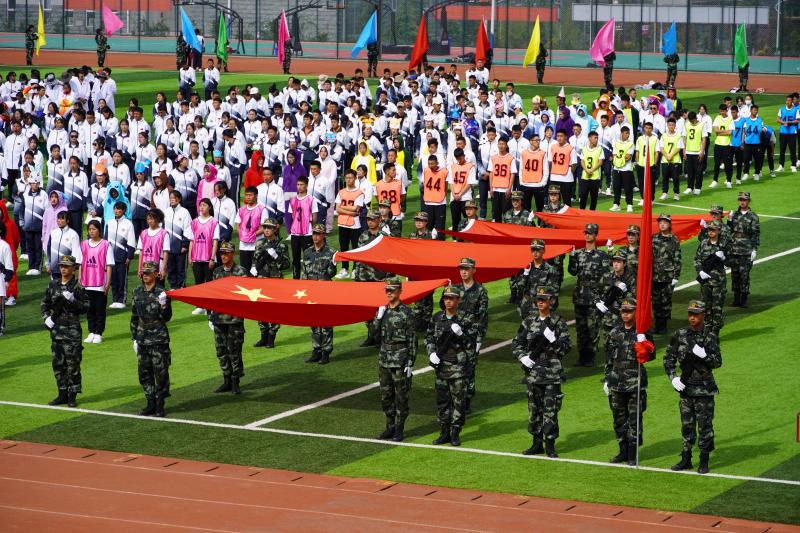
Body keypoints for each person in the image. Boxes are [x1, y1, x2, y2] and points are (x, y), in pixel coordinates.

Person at [512, 286, 572, 457]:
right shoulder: (529, 321)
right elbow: (517, 343)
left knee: (550, 411)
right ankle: (536, 443)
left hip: (552, 374)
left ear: (551, 301)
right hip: (533, 374)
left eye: (544, 299)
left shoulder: (558, 322)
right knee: (534, 411)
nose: (540, 302)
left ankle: (550, 444)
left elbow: (566, 348)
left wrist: (554, 341)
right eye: (538, 299)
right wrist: (523, 357)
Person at [664, 300, 722, 475]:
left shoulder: (709, 336)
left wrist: (705, 356)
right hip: (686, 389)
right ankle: (686, 459)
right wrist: (673, 378)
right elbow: (668, 358)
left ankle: (704, 460)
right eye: (690, 314)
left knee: (705, 427)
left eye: (696, 314)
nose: (692, 317)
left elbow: (717, 362)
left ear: (703, 315)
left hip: (704, 390)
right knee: (687, 426)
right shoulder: (680, 335)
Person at [603, 297, 652, 465]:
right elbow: (608, 358)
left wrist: (644, 344)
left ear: (635, 312)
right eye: (623, 311)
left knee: (634, 419)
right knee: (618, 418)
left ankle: (632, 453)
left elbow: (650, 356)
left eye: (629, 311)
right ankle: (622, 451)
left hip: (634, 382)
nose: (625, 314)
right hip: (617, 382)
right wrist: (607, 378)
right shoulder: (614, 332)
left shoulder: (642, 333)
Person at [427, 284, 477, 447]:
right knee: (442, 401)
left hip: (458, 368)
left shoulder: (466, 320)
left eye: (452, 298)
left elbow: (471, 345)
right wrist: (431, 353)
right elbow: (430, 338)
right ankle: (444, 432)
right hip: (441, 366)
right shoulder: (437, 318)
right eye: (446, 298)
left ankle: (455, 432)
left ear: (458, 300)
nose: (448, 301)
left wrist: (462, 335)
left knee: (458, 402)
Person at [41, 254, 89, 407]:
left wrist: (73, 301)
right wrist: (46, 318)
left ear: (73, 269)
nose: (63, 269)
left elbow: (86, 308)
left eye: (66, 266)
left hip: (72, 331)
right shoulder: (53, 285)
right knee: (58, 364)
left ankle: (72, 395)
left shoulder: (78, 287)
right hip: (56, 331)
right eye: (61, 266)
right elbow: (45, 304)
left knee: (73, 364)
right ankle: (62, 393)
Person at [374, 277, 416, 442]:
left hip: (400, 359)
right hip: (384, 359)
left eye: (392, 290)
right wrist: (378, 318)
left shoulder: (406, 312)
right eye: (387, 290)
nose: (389, 293)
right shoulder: (383, 311)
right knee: (386, 395)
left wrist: (411, 362)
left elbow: (412, 339)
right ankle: (390, 426)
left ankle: (399, 428)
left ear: (399, 291)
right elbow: (373, 336)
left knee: (401, 396)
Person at [130, 261, 173, 417]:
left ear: (156, 274)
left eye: (149, 273)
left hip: (158, 339)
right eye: (144, 273)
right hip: (142, 338)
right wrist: (134, 338)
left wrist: (164, 306)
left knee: (161, 373)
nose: (145, 275)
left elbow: (167, 317)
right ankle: (150, 403)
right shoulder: (137, 291)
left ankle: (160, 403)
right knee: (144, 373)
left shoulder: (162, 293)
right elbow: (134, 317)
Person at [208, 242, 248, 394]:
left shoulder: (240, 272)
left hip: (234, 319)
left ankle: (235, 381)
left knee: (234, 351)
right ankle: (226, 380)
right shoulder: (217, 272)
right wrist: (210, 315)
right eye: (221, 253)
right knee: (221, 351)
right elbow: (212, 294)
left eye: (226, 253)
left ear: (233, 254)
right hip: (218, 318)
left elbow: (246, 295)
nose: (223, 256)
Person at [568, 223, 611, 366]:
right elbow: (572, 271)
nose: (587, 235)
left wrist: (602, 298)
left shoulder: (601, 255)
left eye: (590, 233)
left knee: (593, 329)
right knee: (581, 329)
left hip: (594, 297)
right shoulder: (579, 253)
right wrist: (571, 257)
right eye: (586, 232)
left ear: (596, 235)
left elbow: (606, 278)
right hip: (580, 296)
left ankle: (590, 357)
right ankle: (582, 356)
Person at [451, 257, 488, 412]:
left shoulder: (480, 291)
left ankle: (466, 400)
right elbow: (445, 308)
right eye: (461, 269)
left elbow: (483, 316)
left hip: (470, 337)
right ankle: (455, 398)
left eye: (466, 269)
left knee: (469, 369)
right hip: (454, 336)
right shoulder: (455, 288)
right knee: (453, 367)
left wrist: (479, 339)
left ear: (473, 270)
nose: (463, 272)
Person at [301, 224, 336, 364]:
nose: (315, 236)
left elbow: (331, 274)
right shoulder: (307, 252)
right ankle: (316, 350)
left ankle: (326, 351)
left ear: (323, 235)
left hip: (325, 292)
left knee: (326, 322)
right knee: (314, 323)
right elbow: (304, 273)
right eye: (314, 233)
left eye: (318, 234)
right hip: (310, 292)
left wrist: (333, 264)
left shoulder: (331, 252)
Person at [252, 219, 290, 348]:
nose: (266, 230)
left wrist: (276, 256)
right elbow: (256, 259)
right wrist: (254, 268)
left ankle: (271, 337)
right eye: (265, 227)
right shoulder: (259, 243)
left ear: (275, 229)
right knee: (260, 309)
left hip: (275, 280)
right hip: (261, 279)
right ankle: (263, 336)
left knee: (274, 310)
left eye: (269, 227)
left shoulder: (281, 245)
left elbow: (286, 265)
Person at [355, 210, 389, 346]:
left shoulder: (384, 236)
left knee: (380, 309)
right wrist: (357, 275)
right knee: (367, 309)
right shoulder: (363, 236)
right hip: (364, 277)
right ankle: (371, 335)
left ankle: (380, 337)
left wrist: (388, 276)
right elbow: (358, 256)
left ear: (379, 220)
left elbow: (389, 258)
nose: (370, 222)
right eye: (368, 219)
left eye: (373, 219)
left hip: (379, 277)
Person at [80, 220, 114, 344]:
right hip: (87, 281)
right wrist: (80, 277)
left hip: (100, 282)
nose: (91, 231)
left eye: (94, 229)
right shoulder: (84, 244)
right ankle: (91, 331)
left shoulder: (106, 244)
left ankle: (99, 332)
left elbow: (109, 265)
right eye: (89, 229)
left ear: (99, 230)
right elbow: (81, 262)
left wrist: (108, 282)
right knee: (89, 309)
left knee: (100, 309)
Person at [695, 220, 730, 335]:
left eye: (713, 230)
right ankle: (706, 332)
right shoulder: (703, 243)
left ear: (719, 231)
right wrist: (700, 271)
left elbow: (731, 262)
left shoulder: (724, 245)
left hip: (718, 282)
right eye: (709, 229)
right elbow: (697, 259)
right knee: (705, 307)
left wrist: (724, 258)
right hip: (705, 281)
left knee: (717, 308)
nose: (711, 232)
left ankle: (715, 333)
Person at [728, 191, 759, 307]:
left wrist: (754, 249)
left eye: (744, 200)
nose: (742, 202)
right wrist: (729, 220)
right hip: (734, 249)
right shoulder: (734, 215)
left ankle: (744, 299)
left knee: (744, 275)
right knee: (735, 275)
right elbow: (729, 230)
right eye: (740, 200)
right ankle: (736, 299)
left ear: (748, 201)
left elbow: (755, 234)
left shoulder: (753, 216)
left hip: (746, 250)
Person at [652, 214, 682, 334]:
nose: (662, 224)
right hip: (655, 276)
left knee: (666, 302)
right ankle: (657, 325)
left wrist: (676, 276)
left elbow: (677, 259)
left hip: (668, 277)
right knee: (656, 302)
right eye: (660, 222)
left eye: (665, 222)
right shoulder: (654, 238)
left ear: (669, 224)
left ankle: (663, 325)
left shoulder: (674, 240)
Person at [516, 239, 560, 318]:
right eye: (533, 250)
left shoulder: (550, 269)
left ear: (543, 250)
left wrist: (550, 309)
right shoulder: (526, 267)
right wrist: (525, 274)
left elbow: (554, 292)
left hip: (542, 309)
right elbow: (519, 287)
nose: (535, 252)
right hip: (527, 308)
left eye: (538, 250)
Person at [105, 201, 136, 309]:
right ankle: (115, 300)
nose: (116, 211)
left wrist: (129, 257)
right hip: (111, 258)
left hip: (122, 257)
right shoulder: (109, 223)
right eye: (115, 208)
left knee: (122, 280)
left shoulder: (128, 224)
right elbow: (105, 241)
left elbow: (132, 242)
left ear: (123, 211)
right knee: (113, 280)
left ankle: (121, 300)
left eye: (119, 209)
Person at [682, 112, 708, 196]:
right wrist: (684, 151)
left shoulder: (702, 125)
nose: (691, 122)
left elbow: (704, 139)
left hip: (698, 152)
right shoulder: (687, 124)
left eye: (692, 120)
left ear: (695, 118)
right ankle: (689, 187)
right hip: (689, 151)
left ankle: (697, 188)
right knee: (689, 171)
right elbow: (684, 138)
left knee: (698, 171)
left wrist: (702, 151)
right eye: (690, 120)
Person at [710, 104, 734, 189]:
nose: (722, 112)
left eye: (723, 111)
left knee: (727, 164)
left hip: (727, 145)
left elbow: (730, 132)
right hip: (718, 144)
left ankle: (728, 181)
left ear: (726, 110)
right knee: (717, 164)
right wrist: (724, 132)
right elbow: (715, 130)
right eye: (721, 111)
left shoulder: (730, 119)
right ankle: (715, 180)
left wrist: (720, 132)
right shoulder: (718, 118)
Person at [660, 118, 684, 200]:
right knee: (665, 177)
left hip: (675, 160)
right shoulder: (663, 135)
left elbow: (679, 148)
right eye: (669, 125)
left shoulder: (678, 135)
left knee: (675, 178)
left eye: (672, 125)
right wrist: (667, 155)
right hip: (665, 160)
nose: (671, 126)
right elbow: (661, 148)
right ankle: (665, 193)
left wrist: (671, 155)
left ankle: (676, 194)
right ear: (667, 125)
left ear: (675, 126)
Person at [579, 130, 604, 210]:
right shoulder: (584, 149)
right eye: (595, 138)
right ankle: (581, 212)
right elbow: (582, 161)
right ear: (589, 138)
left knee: (594, 197)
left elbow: (600, 162)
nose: (596, 139)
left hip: (595, 177)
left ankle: (592, 213)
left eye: (597, 138)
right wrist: (586, 170)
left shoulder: (599, 149)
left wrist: (592, 170)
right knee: (583, 196)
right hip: (585, 176)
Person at [776, 94, 798, 173]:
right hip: (783, 132)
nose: (788, 102)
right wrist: (783, 122)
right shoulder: (781, 109)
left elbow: (798, 120)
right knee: (782, 149)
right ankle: (781, 166)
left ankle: (793, 165)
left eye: (789, 100)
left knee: (792, 149)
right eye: (787, 100)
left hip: (792, 132)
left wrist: (789, 122)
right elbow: (778, 119)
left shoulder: (795, 110)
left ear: (792, 101)